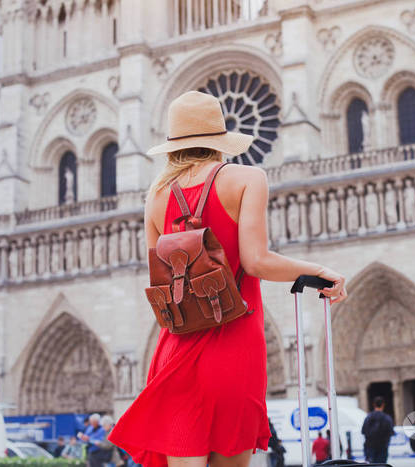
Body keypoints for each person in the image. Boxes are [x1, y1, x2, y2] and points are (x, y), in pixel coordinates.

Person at [107, 91, 347, 467]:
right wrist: (317, 271)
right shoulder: (248, 178)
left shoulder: (154, 198)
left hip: (176, 350)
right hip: (235, 348)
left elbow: (163, 281)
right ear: (219, 140)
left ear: (173, 145)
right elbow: (256, 262)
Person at [361, 397, 394, 463]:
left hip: (370, 448)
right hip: (382, 448)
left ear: (374, 404)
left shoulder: (368, 417)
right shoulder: (387, 418)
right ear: (383, 405)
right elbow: (391, 432)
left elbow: (363, 431)